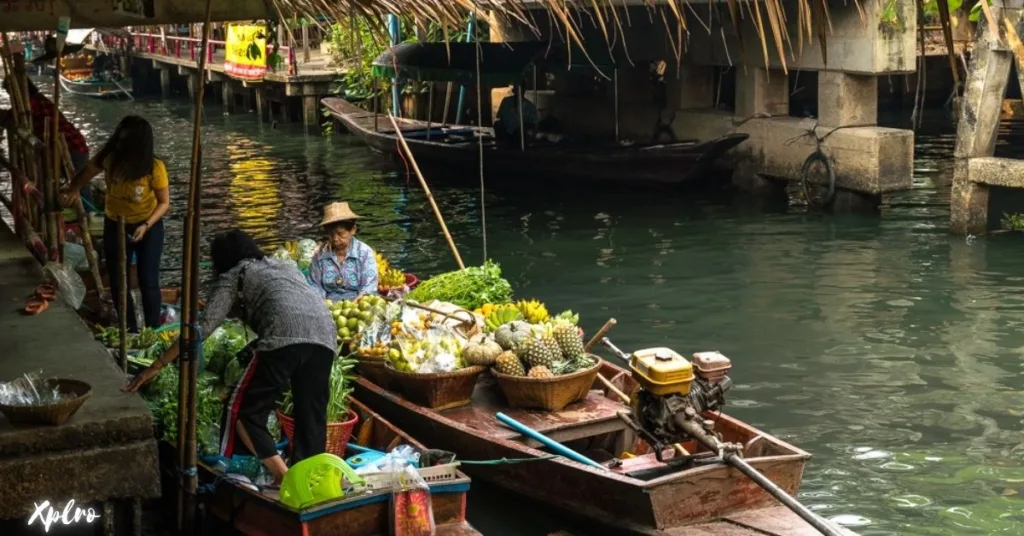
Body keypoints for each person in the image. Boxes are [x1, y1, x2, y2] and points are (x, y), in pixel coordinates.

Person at [124, 229, 338, 485]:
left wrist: (157, 365)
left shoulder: (234, 275)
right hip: (326, 336)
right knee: (311, 416)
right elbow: (292, 306)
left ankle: (287, 480)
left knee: (244, 414)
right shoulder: (284, 266)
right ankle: (313, 481)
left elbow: (201, 329)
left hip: (284, 338)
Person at [61, 115, 169, 332]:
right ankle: (128, 327)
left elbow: (164, 203)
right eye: (119, 140)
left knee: (148, 280)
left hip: (148, 226)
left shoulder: (154, 168)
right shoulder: (110, 158)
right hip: (115, 224)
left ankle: (152, 328)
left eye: (125, 142)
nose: (119, 145)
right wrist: (73, 188)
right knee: (119, 281)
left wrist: (146, 225)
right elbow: (87, 173)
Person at [0, 78, 92, 203]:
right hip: (64, 146)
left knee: (79, 184)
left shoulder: (31, 103)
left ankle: (87, 213)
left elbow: (14, 116)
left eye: (10, 92)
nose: (11, 96)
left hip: (71, 146)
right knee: (72, 182)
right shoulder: (34, 101)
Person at [307, 202, 379, 301]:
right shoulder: (320, 255)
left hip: (358, 306)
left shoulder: (364, 253)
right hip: (327, 306)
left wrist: (356, 303)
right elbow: (314, 285)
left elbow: (369, 286)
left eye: (340, 233)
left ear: (353, 230)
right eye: (331, 234)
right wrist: (322, 304)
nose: (335, 239)